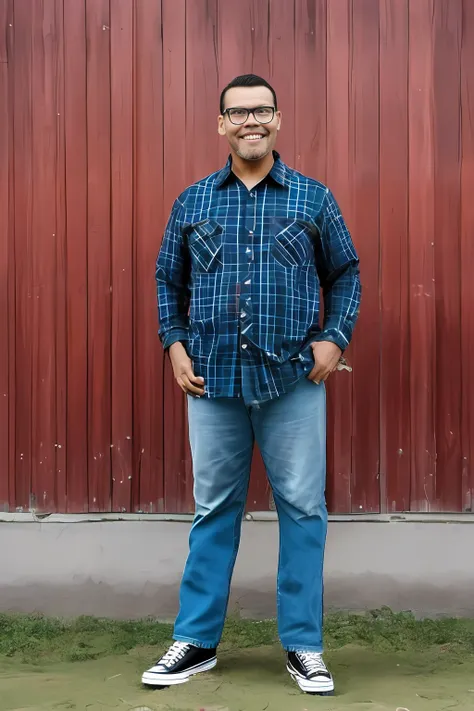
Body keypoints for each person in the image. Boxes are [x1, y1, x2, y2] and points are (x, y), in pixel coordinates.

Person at [142, 74, 361, 696]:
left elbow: (346, 274)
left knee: (302, 509)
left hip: (294, 378)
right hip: (212, 381)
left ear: (278, 118)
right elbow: (167, 281)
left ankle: (304, 646)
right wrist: (174, 345)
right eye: (237, 113)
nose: (250, 121)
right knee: (214, 509)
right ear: (221, 125)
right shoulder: (193, 202)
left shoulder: (313, 200)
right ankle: (197, 642)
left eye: (260, 110)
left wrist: (335, 337)